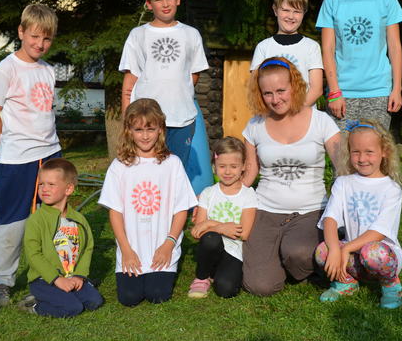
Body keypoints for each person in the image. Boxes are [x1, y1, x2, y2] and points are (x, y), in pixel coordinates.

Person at [241, 57, 341, 296]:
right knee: (260, 286)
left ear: (295, 86)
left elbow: (343, 168)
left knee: (299, 253)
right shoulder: (254, 125)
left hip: (310, 211)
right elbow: (250, 172)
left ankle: (294, 259)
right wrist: (220, 196)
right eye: (267, 93)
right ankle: (280, 261)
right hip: (265, 211)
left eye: (281, 91)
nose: (275, 99)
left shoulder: (321, 121)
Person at [0, 4, 62, 307]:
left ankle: (47, 277)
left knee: (50, 220)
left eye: (47, 39)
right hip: (17, 160)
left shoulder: (48, 70)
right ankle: (1, 281)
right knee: (11, 222)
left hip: (50, 154)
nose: (40, 44)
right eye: (34, 36)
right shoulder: (5, 70)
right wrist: (4, 148)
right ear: (21, 32)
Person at [99, 98, 197, 306]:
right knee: (129, 298)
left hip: (162, 246)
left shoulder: (172, 164)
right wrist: (126, 250)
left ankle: (162, 266)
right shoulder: (119, 166)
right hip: (131, 247)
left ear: (160, 129)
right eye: (139, 130)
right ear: (129, 131)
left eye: (150, 129)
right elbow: (115, 212)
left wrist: (168, 244)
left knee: (157, 295)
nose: (145, 136)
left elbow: (181, 209)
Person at [119, 0, 209, 171]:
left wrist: (175, 94)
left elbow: (193, 75)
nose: (165, 4)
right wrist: (127, 120)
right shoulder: (138, 35)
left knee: (175, 173)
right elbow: (129, 83)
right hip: (146, 122)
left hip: (181, 119)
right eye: (159, 0)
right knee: (146, 172)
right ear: (149, 4)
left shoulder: (191, 35)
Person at [316, 0, 402, 130]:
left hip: (379, 93)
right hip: (342, 94)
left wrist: (397, 89)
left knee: (373, 147)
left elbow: (395, 47)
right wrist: (334, 92)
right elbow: (328, 50)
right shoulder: (332, 1)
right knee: (341, 149)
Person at [315, 119, 402, 309]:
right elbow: (330, 219)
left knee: (372, 251)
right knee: (323, 251)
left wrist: (345, 248)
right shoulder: (343, 183)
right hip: (352, 258)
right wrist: (335, 249)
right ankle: (345, 282)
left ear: (384, 151)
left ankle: (391, 286)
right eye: (356, 152)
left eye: (369, 152)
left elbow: (379, 231)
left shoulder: (391, 189)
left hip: (381, 256)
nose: (362, 158)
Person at [19, 158, 104, 317]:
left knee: (94, 301)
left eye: (51, 184)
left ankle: (65, 294)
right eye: (41, 184)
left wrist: (79, 275)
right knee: (73, 308)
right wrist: (56, 279)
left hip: (70, 276)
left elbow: (87, 248)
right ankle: (35, 305)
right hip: (44, 280)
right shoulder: (37, 220)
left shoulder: (79, 219)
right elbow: (33, 254)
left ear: (69, 189)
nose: (44, 189)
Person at [187, 137, 257, 299]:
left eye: (233, 166)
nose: (227, 172)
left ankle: (218, 272)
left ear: (243, 166)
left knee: (226, 290)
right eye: (222, 166)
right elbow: (197, 232)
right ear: (214, 166)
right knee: (210, 238)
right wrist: (220, 227)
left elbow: (244, 233)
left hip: (234, 250)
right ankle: (202, 277)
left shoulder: (248, 195)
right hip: (212, 245)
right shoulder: (208, 193)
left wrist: (210, 224)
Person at [251, 0, 324, 106]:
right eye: (285, 10)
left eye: (297, 11)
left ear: (304, 13)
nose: (291, 16)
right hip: (272, 114)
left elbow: (316, 89)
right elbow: (256, 87)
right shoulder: (263, 47)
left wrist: (295, 112)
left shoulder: (311, 47)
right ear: (275, 10)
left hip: (303, 113)